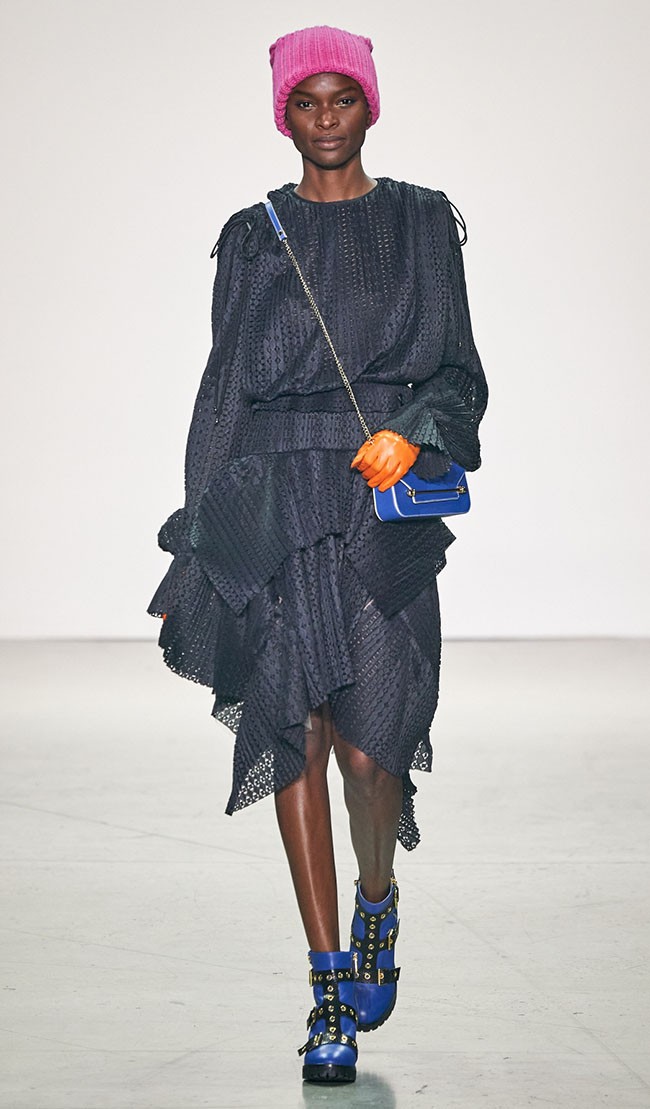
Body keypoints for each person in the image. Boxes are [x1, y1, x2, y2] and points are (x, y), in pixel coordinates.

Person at [147, 24, 488, 1085]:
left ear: (369, 106)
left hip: (376, 506)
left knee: (370, 753)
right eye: (307, 101)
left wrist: (414, 429)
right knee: (295, 736)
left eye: (344, 98)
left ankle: (377, 898)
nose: (326, 117)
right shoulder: (253, 237)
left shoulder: (422, 222)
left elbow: (460, 374)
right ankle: (328, 984)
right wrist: (202, 534)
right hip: (275, 503)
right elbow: (223, 390)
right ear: (284, 114)